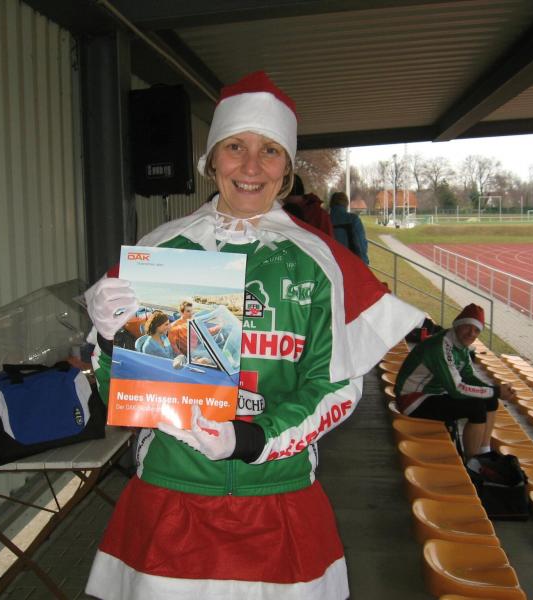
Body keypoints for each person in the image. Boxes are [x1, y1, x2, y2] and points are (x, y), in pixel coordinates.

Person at [81, 71, 424, 600]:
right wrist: (109, 344)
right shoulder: (162, 250)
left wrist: (251, 439)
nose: (250, 167)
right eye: (235, 147)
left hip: (279, 503)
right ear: (212, 159)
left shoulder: (321, 263)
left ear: (286, 167)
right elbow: (120, 396)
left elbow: (336, 388)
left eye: (269, 151)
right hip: (170, 501)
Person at [394, 303, 514, 459]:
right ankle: (473, 462)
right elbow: (457, 389)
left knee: (490, 400)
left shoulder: (460, 345)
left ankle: (484, 453)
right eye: (467, 327)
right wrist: (496, 391)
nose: (471, 333)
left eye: (476, 330)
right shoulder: (440, 346)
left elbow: (469, 376)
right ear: (457, 325)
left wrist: (494, 392)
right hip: (412, 400)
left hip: (433, 395)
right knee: (476, 408)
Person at [329, 191, 369, 264]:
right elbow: (361, 246)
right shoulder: (353, 220)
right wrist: (365, 263)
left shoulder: (324, 220)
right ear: (346, 204)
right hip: (350, 264)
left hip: (330, 264)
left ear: (331, 204)